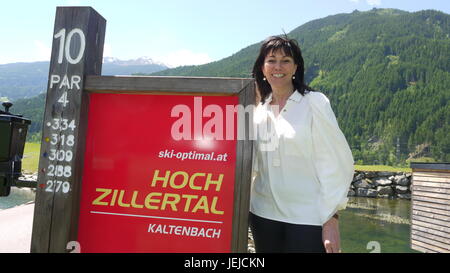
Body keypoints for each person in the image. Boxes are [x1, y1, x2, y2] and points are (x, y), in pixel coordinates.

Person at [250, 35, 354, 253]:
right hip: (262, 214)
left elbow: (335, 162)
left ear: (296, 67)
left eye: (286, 60)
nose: (278, 66)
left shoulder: (314, 103)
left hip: (308, 218)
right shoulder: (258, 110)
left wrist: (332, 218)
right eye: (271, 60)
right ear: (262, 67)